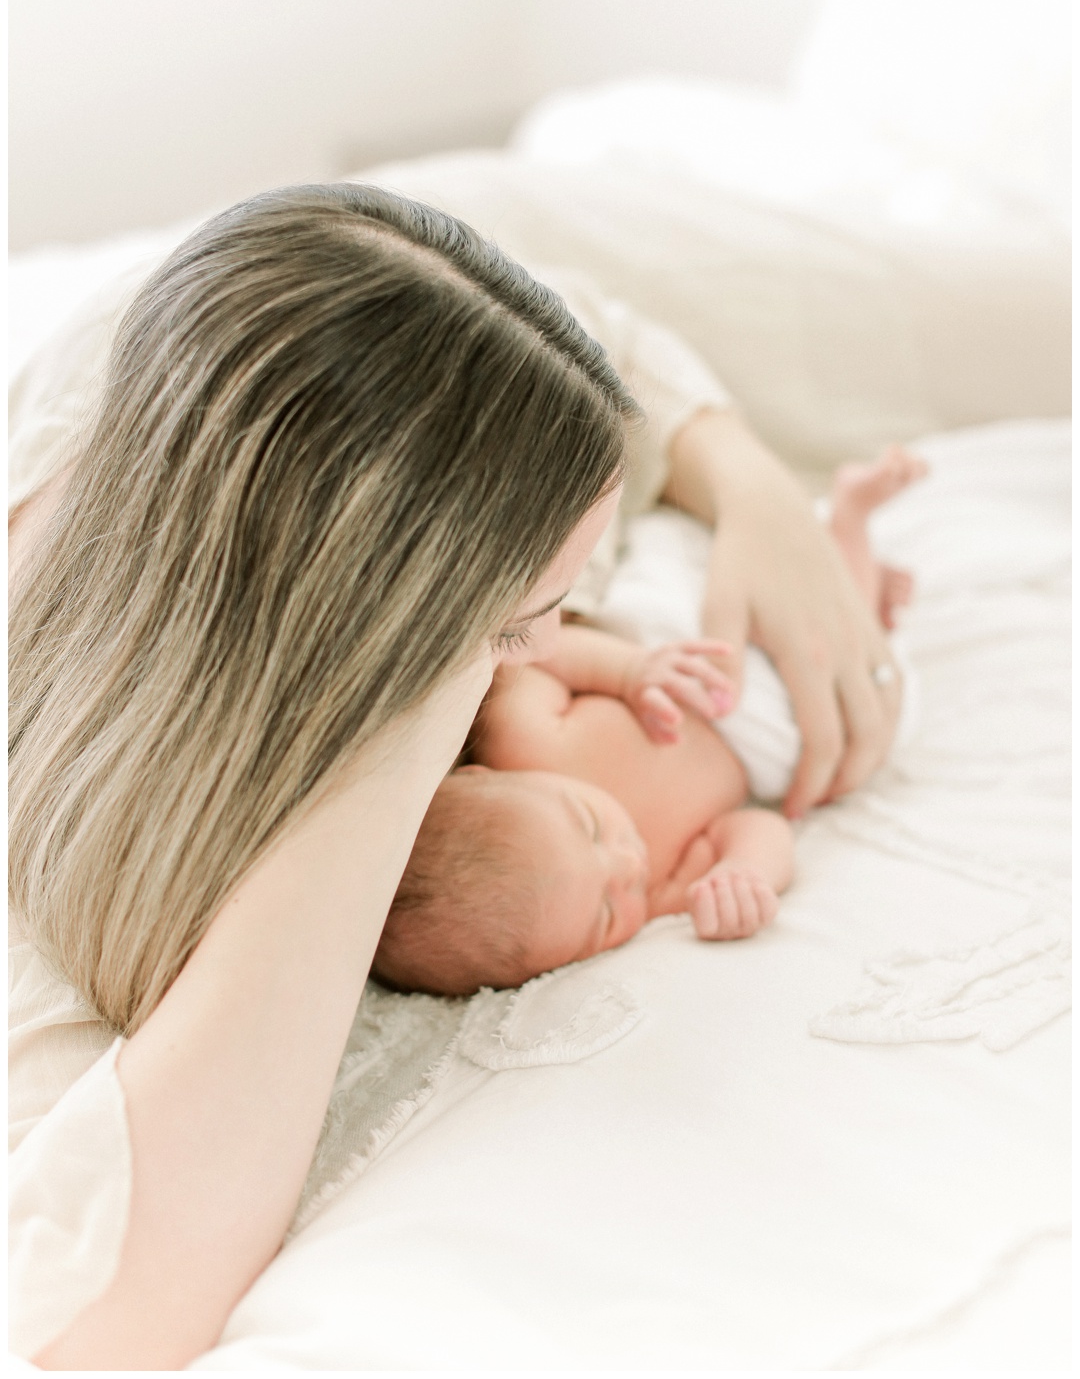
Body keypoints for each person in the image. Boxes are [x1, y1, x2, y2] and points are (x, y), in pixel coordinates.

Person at [8, 181, 901, 1369]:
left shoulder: (268, 329)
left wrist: (753, 489)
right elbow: (96, 1311)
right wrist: (423, 705)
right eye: (517, 623)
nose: (551, 645)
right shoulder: (64, 840)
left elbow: (580, 333)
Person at [374, 449, 927, 996]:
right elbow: (759, 829)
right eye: (606, 914)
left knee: (697, 585)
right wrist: (746, 875)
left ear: (479, 778)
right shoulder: (658, 888)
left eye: (589, 827)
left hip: (671, 656)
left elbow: (537, 653)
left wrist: (630, 672)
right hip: (758, 737)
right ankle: (853, 528)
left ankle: (829, 543)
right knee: (844, 697)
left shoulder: (522, 743)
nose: (627, 860)